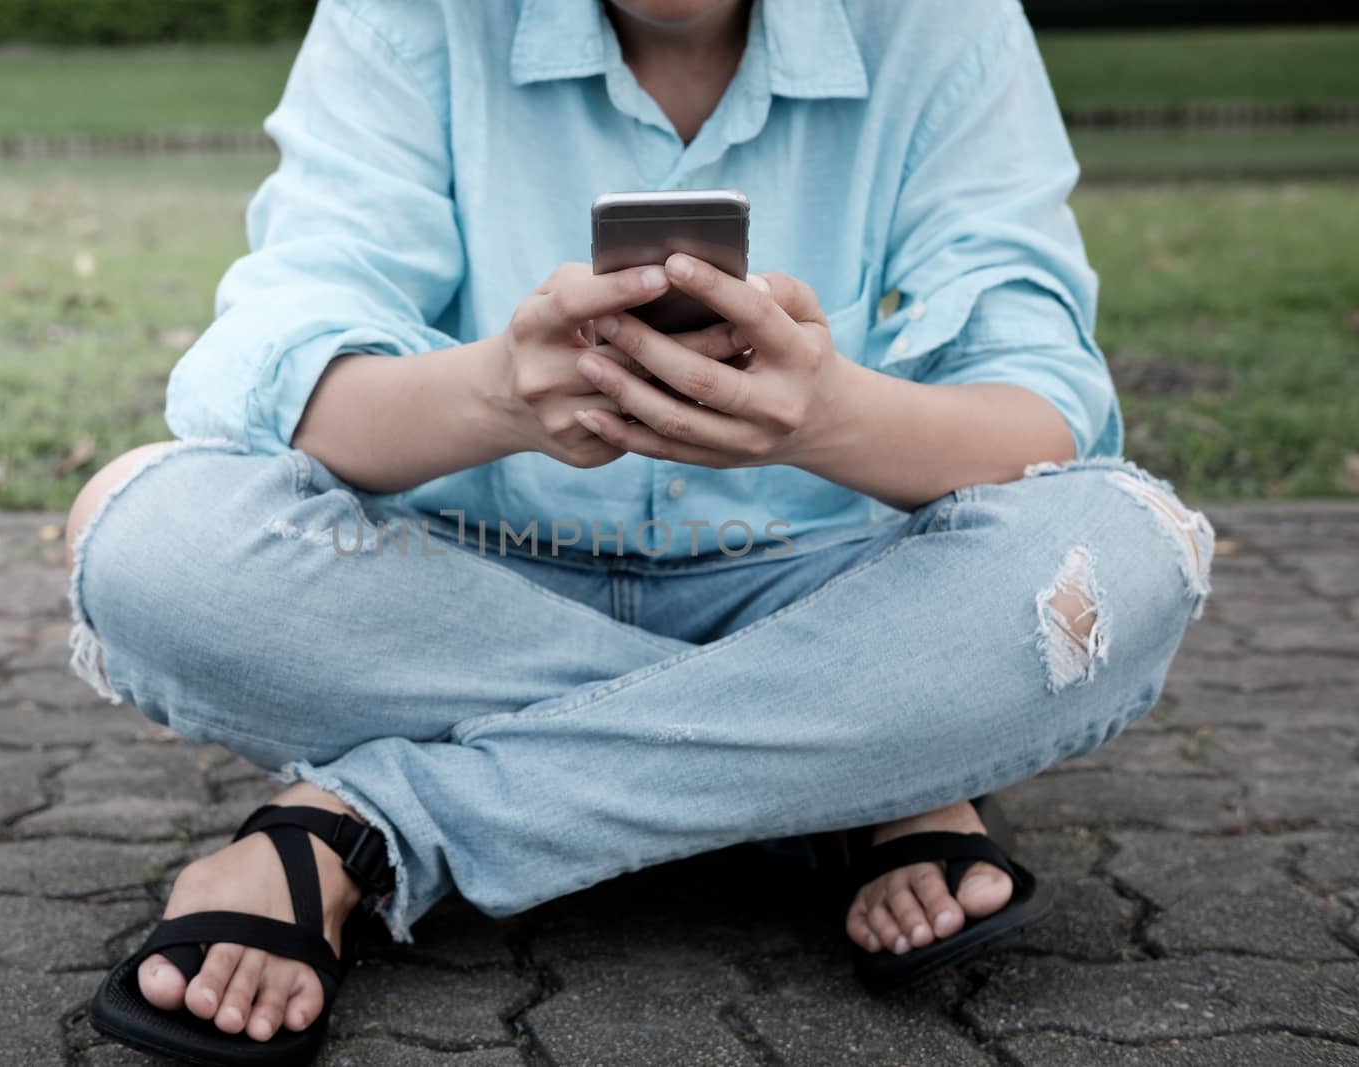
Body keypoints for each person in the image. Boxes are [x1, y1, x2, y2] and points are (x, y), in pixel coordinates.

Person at [65, 0, 1215, 1058]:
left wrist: (828, 418)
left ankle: (367, 824)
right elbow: (276, 377)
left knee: (1120, 545)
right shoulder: (407, 18)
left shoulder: (939, 24)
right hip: (459, 589)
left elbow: (1044, 415)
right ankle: (861, 762)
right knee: (146, 532)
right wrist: (500, 398)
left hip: (826, 581)